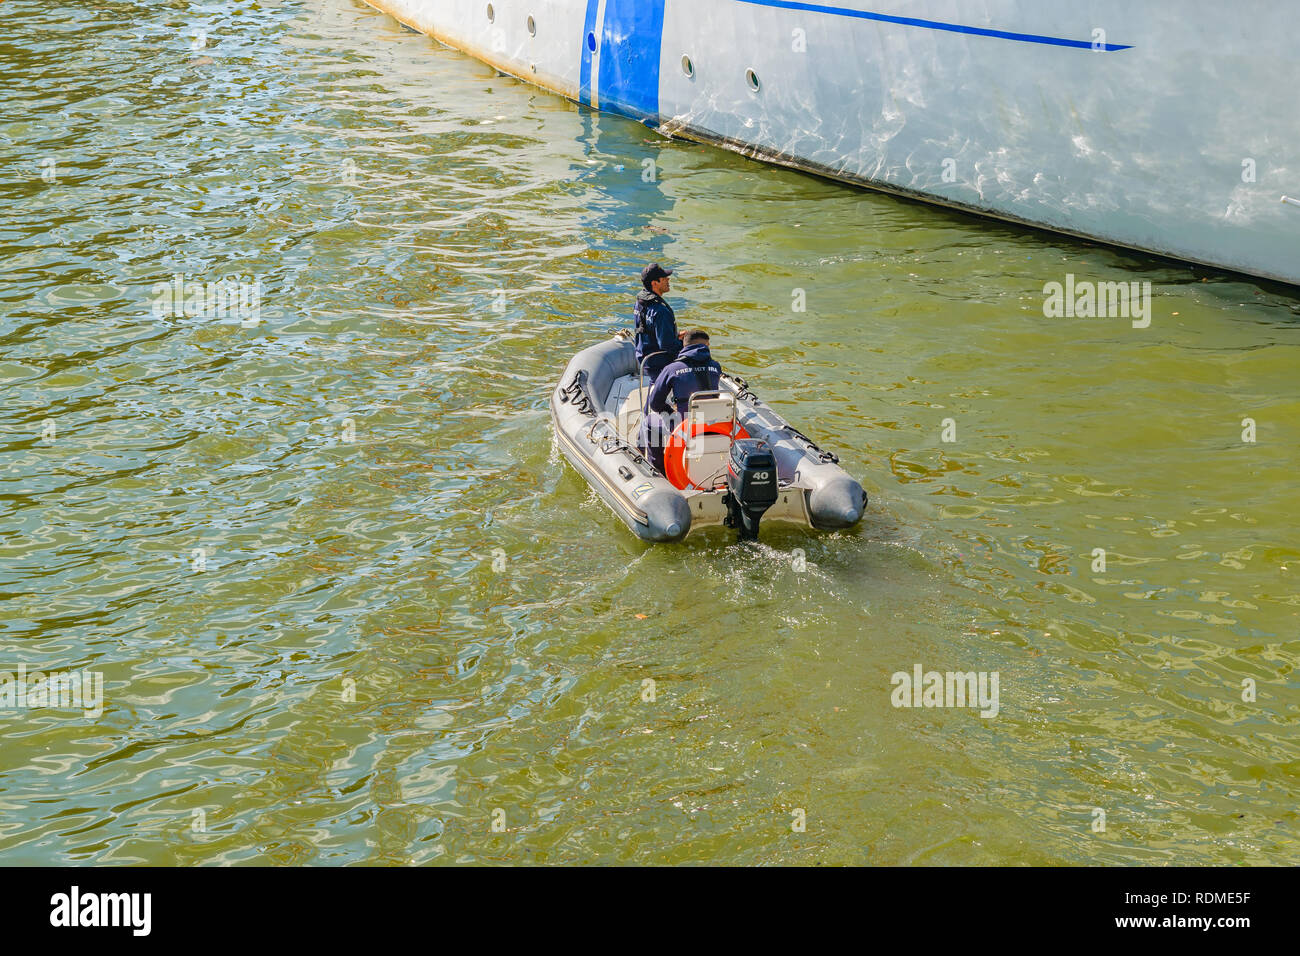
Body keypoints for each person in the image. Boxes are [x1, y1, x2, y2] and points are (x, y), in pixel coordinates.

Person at [639, 329, 722, 474]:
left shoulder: (672, 369)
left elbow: (655, 403)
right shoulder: (715, 366)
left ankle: (659, 470)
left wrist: (671, 411)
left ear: (684, 346)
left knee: (649, 422)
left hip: (685, 426)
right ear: (707, 345)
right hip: (712, 424)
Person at [633, 263, 682, 383]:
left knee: (656, 386)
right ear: (654, 283)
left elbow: (650, 329)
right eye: (664, 278)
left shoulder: (640, 302)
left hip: (645, 357)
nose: (668, 280)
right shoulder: (661, 311)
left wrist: (675, 335)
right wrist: (684, 342)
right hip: (659, 362)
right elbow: (667, 345)